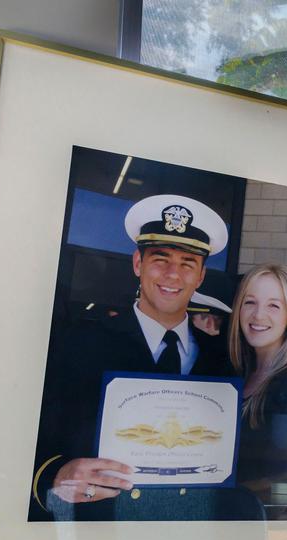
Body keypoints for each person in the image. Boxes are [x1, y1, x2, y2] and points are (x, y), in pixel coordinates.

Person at [29, 194, 261, 521]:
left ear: (200, 276)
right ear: (138, 263)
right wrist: (55, 475)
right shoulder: (80, 344)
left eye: (187, 263)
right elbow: (26, 436)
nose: (172, 274)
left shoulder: (222, 360)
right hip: (99, 530)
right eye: (160, 259)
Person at [228, 263, 287, 519]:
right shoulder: (243, 373)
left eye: (273, 306)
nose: (258, 315)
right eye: (250, 302)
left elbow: (282, 489)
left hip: (248, 528)